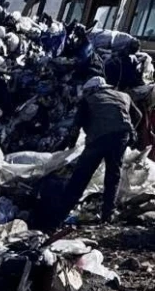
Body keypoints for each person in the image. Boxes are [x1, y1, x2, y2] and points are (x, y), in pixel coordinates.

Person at [50, 75, 144, 226]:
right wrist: (130, 131)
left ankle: (60, 215)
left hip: (98, 139)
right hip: (121, 137)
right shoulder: (123, 96)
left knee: (81, 176)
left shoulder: (88, 100)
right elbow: (138, 115)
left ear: (92, 90)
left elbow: (75, 127)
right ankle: (108, 216)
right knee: (113, 175)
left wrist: (68, 147)